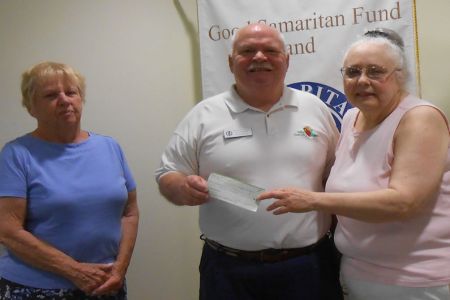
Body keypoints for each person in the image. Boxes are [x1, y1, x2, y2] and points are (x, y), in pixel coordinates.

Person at [258, 28, 450, 300]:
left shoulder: (420, 119)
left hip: (414, 280)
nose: (362, 81)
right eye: (353, 72)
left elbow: (404, 202)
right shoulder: (351, 118)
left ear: (400, 76)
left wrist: (312, 200)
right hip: (356, 272)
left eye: (375, 71)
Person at [156, 23, 341, 300]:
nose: (259, 57)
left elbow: (335, 177)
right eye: (247, 51)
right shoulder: (204, 115)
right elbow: (168, 173)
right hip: (228, 271)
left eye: (270, 50)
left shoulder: (315, 109)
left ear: (287, 60)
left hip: (309, 266)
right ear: (231, 62)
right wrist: (182, 188)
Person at [0, 62, 139, 299]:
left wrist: (120, 268)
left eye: (71, 92)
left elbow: (130, 212)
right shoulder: (17, 154)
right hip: (35, 289)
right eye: (51, 95)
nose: (65, 100)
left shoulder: (110, 147)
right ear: (31, 107)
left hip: (105, 284)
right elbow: (7, 229)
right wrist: (74, 271)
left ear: (81, 99)